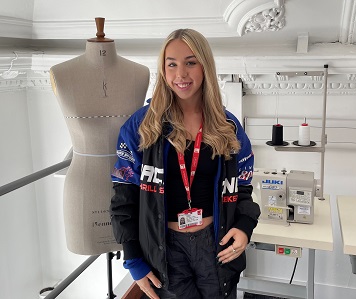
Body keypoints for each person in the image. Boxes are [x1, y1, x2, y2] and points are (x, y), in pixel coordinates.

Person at [110, 28, 260, 298]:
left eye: (191, 62)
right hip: (165, 250)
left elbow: (244, 187)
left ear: (205, 66)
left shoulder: (228, 127)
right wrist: (132, 258)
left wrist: (244, 226)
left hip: (217, 245)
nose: (181, 74)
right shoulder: (141, 127)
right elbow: (124, 197)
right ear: (163, 70)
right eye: (172, 64)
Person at [50, 18, 150, 255]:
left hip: (130, 184)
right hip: (84, 188)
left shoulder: (140, 73)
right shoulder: (60, 73)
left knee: (135, 249)